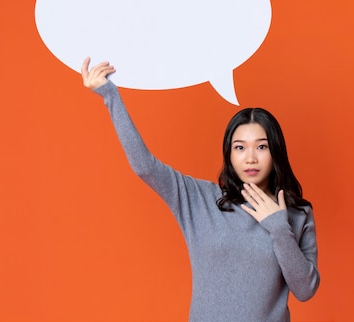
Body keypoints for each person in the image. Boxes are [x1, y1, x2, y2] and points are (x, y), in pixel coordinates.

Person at [81, 57, 319, 322]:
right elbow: (145, 167)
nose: (250, 157)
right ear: (229, 153)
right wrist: (110, 96)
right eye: (240, 147)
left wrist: (278, 228)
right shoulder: (200, 199)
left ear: (275, 152)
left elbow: (305, 290)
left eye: (261, 147)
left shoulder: (297, 213)